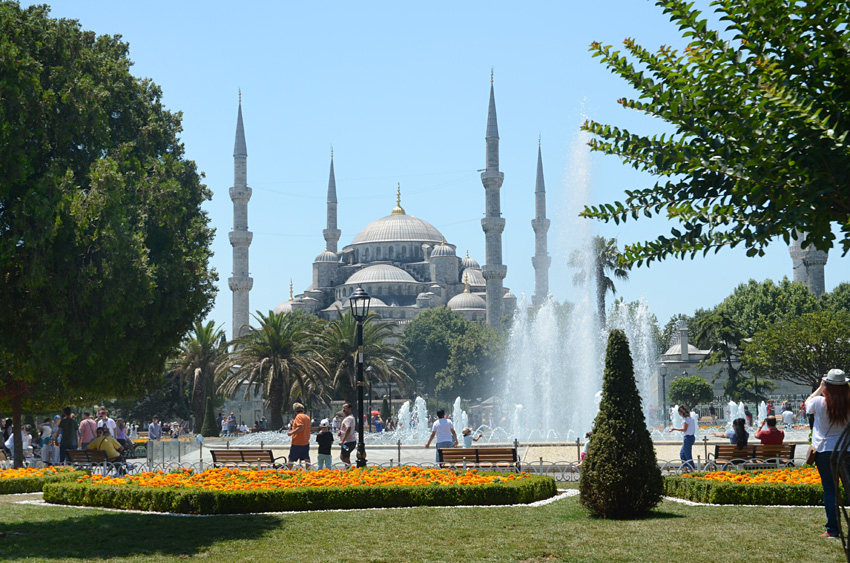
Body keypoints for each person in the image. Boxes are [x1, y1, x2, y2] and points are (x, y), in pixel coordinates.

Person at [805, 368, 850, 539]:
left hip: (824, 451)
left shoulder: (819, 402)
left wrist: (820, 387)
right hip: (846, 450)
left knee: (830, 490)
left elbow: (807, 404)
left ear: (827, 385)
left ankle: (833, 529)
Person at [670, 405, 696, 470]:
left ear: (682, 413)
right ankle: (685, 467)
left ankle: (691, 469)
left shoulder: (686, 420)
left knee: (687, 454)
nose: (679, 414)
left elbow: (684, 429)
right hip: (691, 437)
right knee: (682, 453)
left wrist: (674, 429)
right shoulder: (690, 418)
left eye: (679, 413)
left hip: (688, 438)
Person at [287, 403, 312, 469]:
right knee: (306, 458)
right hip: (306, 441)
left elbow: (301, 427)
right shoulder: (307, 417)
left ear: (295, 410)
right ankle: (308, 471)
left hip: (297, 442)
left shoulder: (298, 417)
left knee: (291, 459)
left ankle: (288, 472)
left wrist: (291, 432)